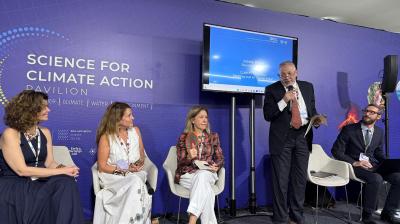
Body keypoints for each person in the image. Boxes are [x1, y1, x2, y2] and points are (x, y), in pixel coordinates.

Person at [0, 90, 83, 224]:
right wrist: (61, 171)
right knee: (62, 177)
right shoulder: (11, 133)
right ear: (29, 109)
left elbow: (49, 162)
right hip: (15, 183)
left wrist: (66, 168)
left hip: (39, 180)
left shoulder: (45, 132)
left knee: (66, 182)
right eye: (44, 107)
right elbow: (21, 170)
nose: (48, 110)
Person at [263, 61, 319, 224]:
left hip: (303, 136)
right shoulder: (272, 89)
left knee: (300, 180)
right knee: (280, 180)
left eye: (289, 73)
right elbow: (268, 115)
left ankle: (296, 217)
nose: (286, 77)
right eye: (283, 74)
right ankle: (280, 218)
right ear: (279, 75)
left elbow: (312, 109)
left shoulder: (308, 87)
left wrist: (315, 119)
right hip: (282, 139)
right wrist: (284, 100)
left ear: (296, 73)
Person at [332, 104, 400, 224]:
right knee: (376, 178)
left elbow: (378, 152)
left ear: (378, 117)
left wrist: (386, 163)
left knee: (398, 178)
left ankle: (388, 213)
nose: (367, 114)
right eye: (366, 111)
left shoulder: (379, 132)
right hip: (354, 166)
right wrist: (355, 162)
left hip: (372, 165)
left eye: (371, 112)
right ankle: (367, 216)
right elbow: (336, 151)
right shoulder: (349, 129)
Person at [93, 102, 152, 224]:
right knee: (135, 181)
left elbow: (142, 156)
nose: (133, 118)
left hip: (135, 173)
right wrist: (125, 169)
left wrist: (137, 164)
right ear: (118, 118)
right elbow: (102, 166)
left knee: (136, 179)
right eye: (129, 115)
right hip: (113, 176)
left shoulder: (136, 131)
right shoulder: (106, 137)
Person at [175, 105, 224, 224]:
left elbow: (220, 158)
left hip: (208, 173)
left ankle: (192, 220)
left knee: (202, 175)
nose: (205, 120)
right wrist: (189, 157)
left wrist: (216, 166)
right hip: (188, 175)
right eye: (201, 117)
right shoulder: (184, 137)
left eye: (206, 117)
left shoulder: (213, 136)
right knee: (207, 191)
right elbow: (181, 161)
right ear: (192, 120)